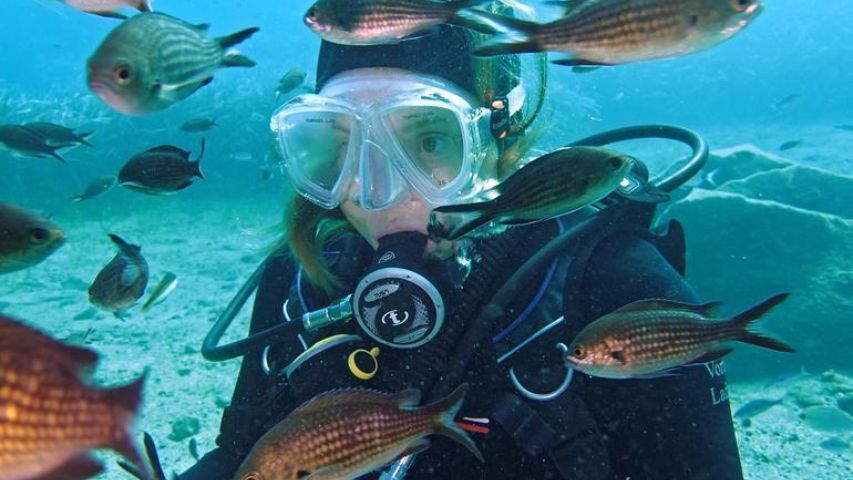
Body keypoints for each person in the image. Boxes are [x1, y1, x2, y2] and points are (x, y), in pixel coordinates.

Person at [179, 2, 744, 479]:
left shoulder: (615, 283)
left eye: (428, 142)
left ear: (495, 138)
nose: (376, 192)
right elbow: (243, 460)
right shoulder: (299, 281)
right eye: (341, 146)